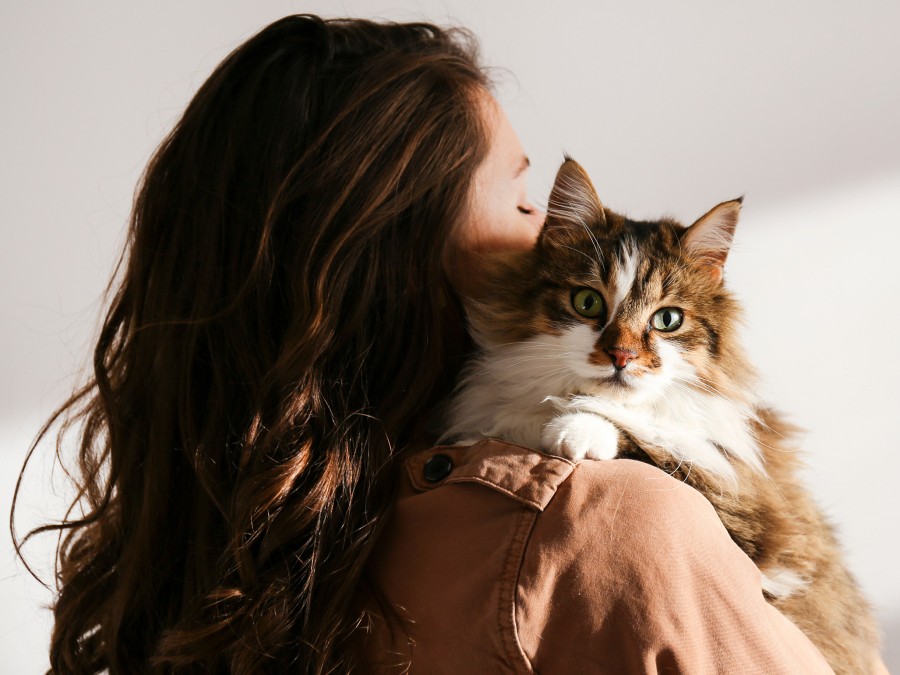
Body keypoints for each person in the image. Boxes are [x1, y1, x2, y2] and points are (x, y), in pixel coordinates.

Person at [12, 13, 885, 675]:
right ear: (395, 247)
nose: (545, 231)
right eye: (522, 201)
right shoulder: (605, 529)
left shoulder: (229, 547)